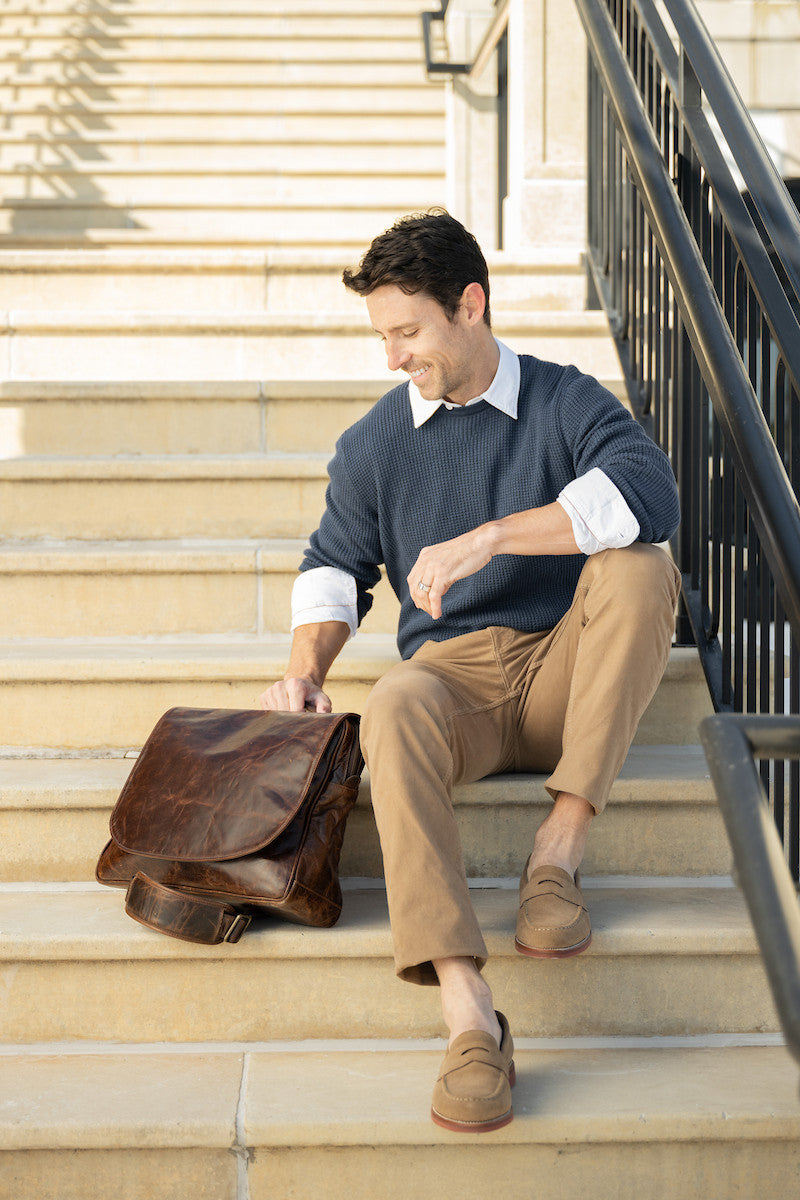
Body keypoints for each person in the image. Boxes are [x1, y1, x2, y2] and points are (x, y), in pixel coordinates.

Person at [259, 209, 681, 1133]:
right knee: (396, 700)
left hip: (571, 667)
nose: (392, 357)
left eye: (406, 332)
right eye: (381, 336)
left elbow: (651, 495)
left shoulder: (566, 401)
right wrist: (303, 667)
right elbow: (333, 564)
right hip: (458, 685)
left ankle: (556, 856)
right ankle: (467, 1013)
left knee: (642, 565)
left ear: (471, 306)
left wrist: (489, 536)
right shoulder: (376, 442)